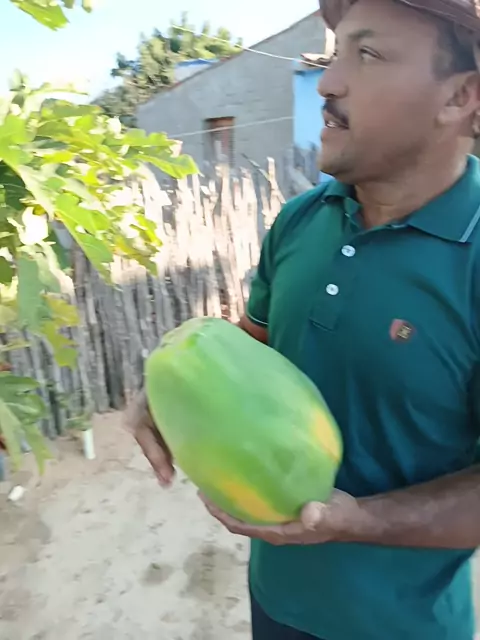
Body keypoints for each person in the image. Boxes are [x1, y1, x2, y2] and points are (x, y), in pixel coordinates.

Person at [125, 0, 480, 637]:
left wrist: (360, 521)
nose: (328, 83)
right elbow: (257, 348)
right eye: (335, 54)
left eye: (367, 54)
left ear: (460, 96)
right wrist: (169, 388)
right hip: (275, 603)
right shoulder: (299, 220)